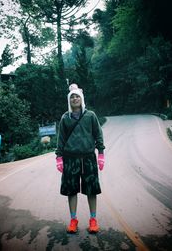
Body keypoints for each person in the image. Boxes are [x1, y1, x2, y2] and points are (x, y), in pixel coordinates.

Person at [56, 83, 105, 234]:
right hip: (70, 158)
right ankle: (73, 220)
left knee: (92, 190)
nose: (75, 98)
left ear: (82, 98)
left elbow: (98, 134)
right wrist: (59, 157)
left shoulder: (90, 115)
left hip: (88, 158)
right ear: (69, 100)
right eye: (72, 97)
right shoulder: (65, 118)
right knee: (71, 191)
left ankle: (93, 219)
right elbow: (61, 139)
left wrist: (101, 154)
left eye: (77, 96)